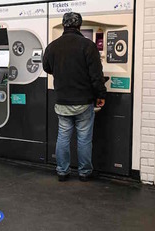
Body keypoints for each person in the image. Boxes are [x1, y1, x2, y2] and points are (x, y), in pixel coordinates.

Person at [43, 12, 107, 182]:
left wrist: (61, 72)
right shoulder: (88, 45)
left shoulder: (53, 46)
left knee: (63, 136)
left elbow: (46, 68)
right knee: (84, 138)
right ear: (79, 26)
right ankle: (85, 173)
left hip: (62, 100)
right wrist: (101, 95)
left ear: (64, 25)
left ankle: (62, 172)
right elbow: (96, 75)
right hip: (84, 102)